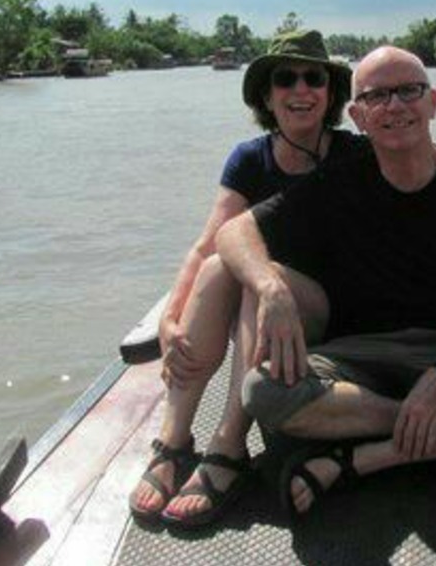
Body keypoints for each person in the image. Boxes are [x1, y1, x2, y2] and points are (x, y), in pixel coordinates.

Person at [215, 45, 436, 516]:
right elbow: (233, 231)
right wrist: (270, 287)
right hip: (362, 357)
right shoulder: (336, 184)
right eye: (378, 96)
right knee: (263, 391)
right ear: (358, 116)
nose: (395, 106)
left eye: (409, 91)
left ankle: (363, 459)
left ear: (433, 102)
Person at [128, 29, 365, 527]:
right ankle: (175, 439)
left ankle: (229, 446)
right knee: (221, 265)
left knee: (263, 279)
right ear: (267, 95)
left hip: (326, 312)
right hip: (262, 305)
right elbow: (206, 242)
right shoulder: (249, 158)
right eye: (286, 79)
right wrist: (169, 321)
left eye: (313, 79)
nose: (300, 90)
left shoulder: (354, 157)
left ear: (330, 92)